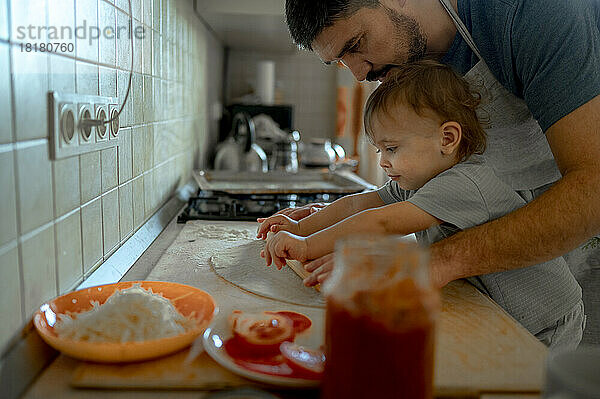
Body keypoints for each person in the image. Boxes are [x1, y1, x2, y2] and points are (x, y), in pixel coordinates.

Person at [270, 0, 600, 345]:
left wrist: (435, 263)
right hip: (509, 233)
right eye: (339, 60)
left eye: (355, 45)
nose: (357, 73)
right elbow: (368, 206)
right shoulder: (415, 78)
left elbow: (592, 189)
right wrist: (307, 227)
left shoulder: (534, 13)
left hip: (581, 223)